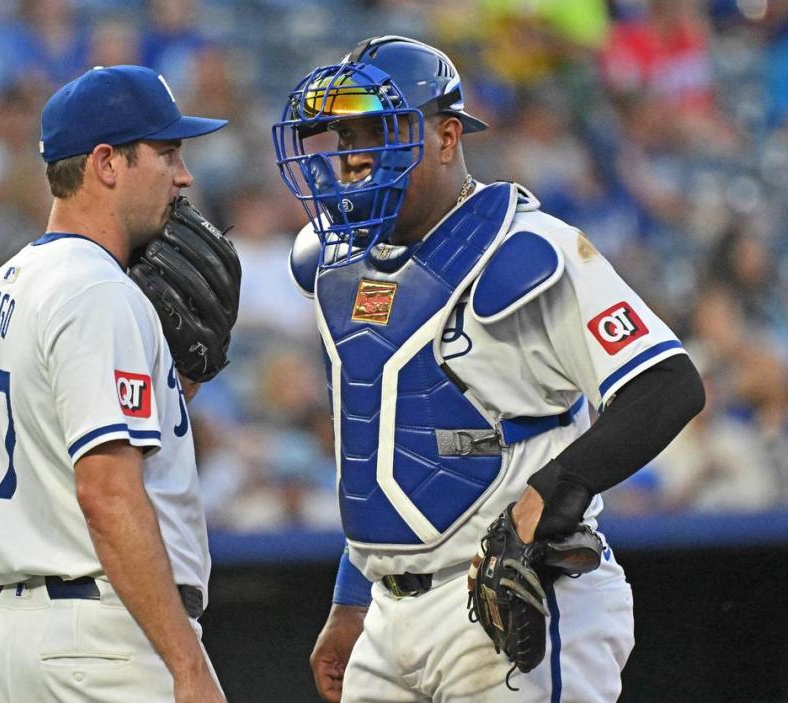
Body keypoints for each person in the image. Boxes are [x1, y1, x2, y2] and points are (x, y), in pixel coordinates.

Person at [272, 36, 705, 702]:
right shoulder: (336, 264)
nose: (353, 152)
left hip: (510, 596)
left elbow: (667, 384)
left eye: (379, 129)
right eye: (342, 132)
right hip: (388, 618)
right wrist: (354, 595)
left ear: (447, 136)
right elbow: (383, 444)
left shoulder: (528, 249)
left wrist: (551, 492)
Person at [0, 65, 228, 702]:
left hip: (13, 640)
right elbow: (108, 495)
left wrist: (176, 383)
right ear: (107, 163)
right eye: (167, 153)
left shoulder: (7, 282)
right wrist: (187, 664)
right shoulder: (97, 288)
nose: (183, 175)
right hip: (102, 640)